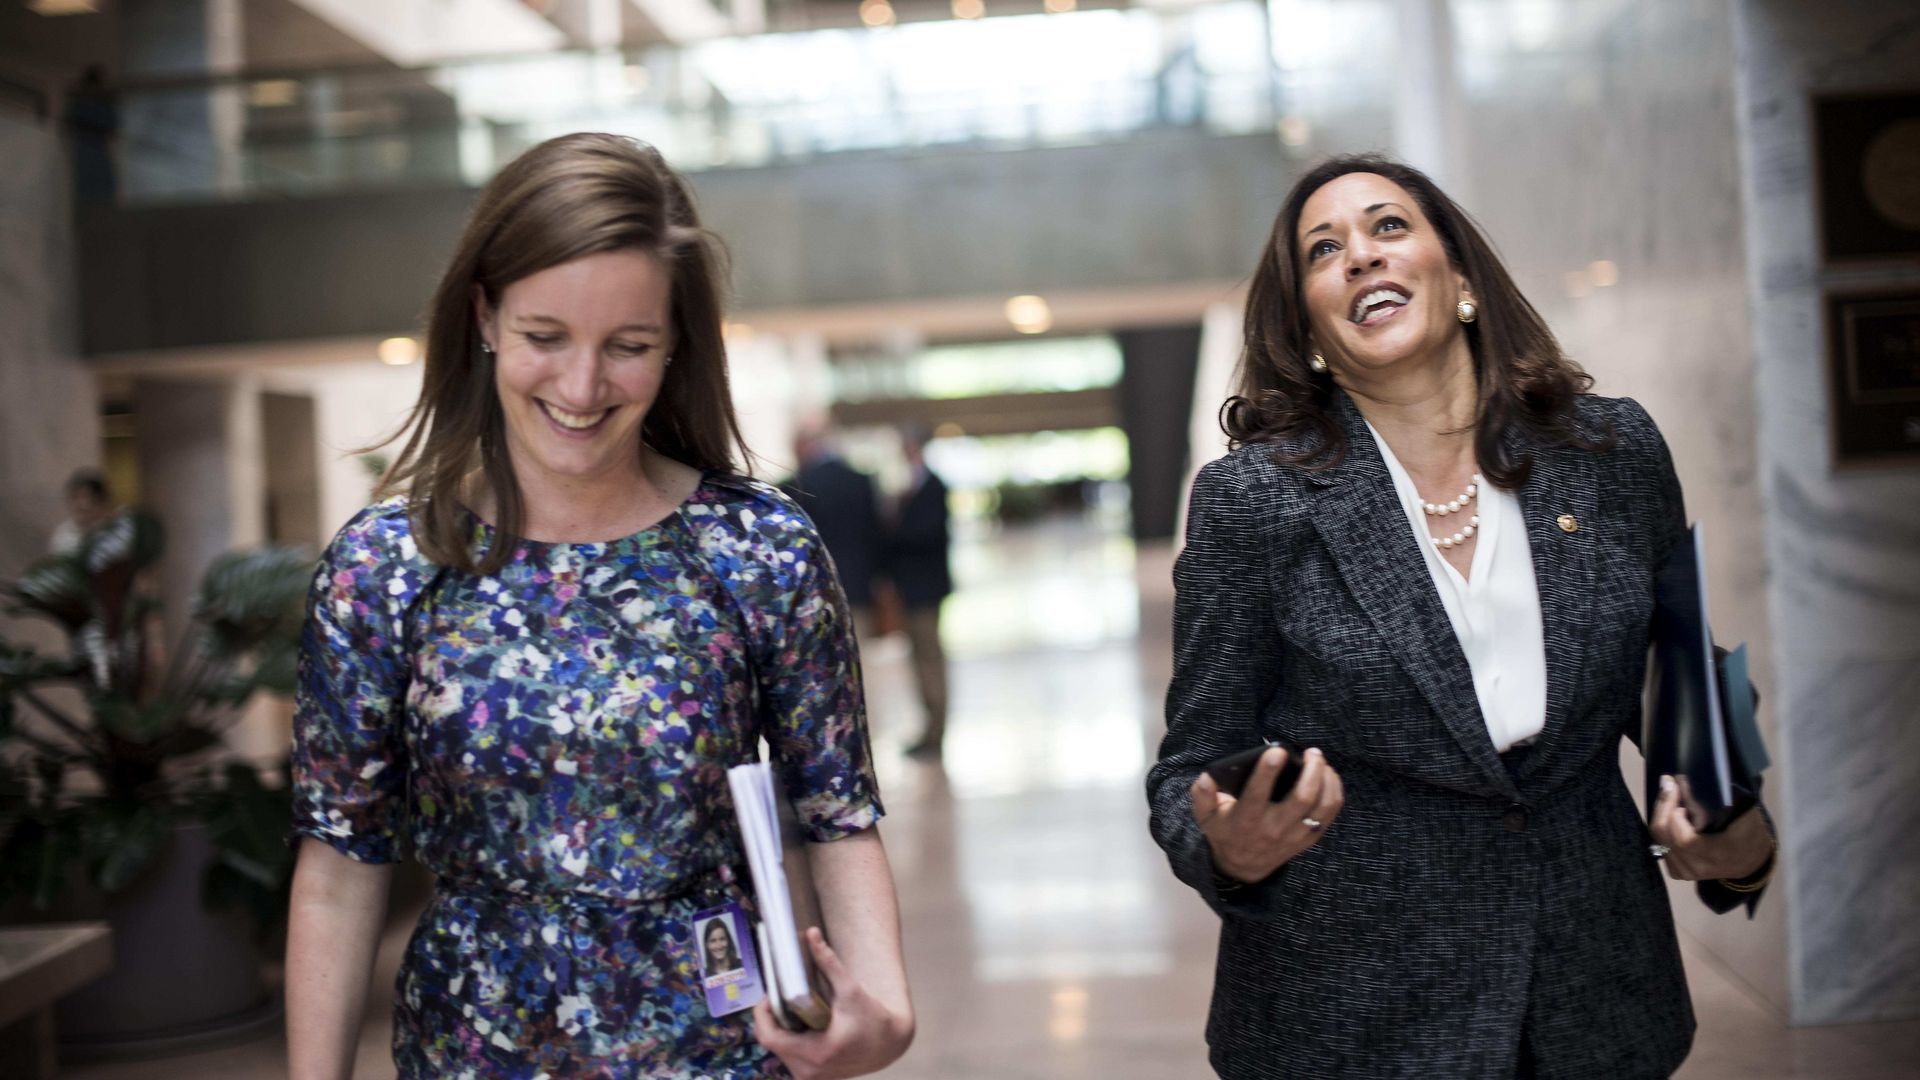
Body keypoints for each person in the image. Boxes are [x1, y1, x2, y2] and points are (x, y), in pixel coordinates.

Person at [285, 133, 914, 1080]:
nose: (582, 388)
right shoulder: (386, 568)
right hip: (473, 1048)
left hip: (721, 1045)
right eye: (546, 337)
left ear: (675, 349)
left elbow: (837, 811)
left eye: (629, 347)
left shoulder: (756, 549)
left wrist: (885, 1003)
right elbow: (339, 869)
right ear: (484, 316)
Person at [1145, 155, 1776, 1079]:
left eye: (1388, 227)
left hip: (1595, 997)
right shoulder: (1255, 503)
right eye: (1325, 250)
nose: (1360, 256)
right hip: (1353, 1016)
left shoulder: (1610, 451)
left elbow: (1676, 693)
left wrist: (1739, 839)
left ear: (1465, 280)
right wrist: (1227, 845)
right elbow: (1189, 766)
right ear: (1311, 327)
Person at [884, 426, 952, 759]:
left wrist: (894, 532)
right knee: (918, 660)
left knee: (929, 659)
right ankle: (929, 728)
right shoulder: (909, 485)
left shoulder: (933, 486)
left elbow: (926, 533)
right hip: (911, 588)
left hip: (926, 588)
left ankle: (937, 730)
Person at [783, 424, 883, 634]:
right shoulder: (860, 482)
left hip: (812, 591)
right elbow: (876, 535)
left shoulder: (796, 486)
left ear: (803, 447)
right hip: (857, 583)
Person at [48, 469, 112, 556]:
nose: (80, 504)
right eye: (75, 497)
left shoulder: (112, 531)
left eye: (85, 496)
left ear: (100, 500)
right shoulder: (62, 535)